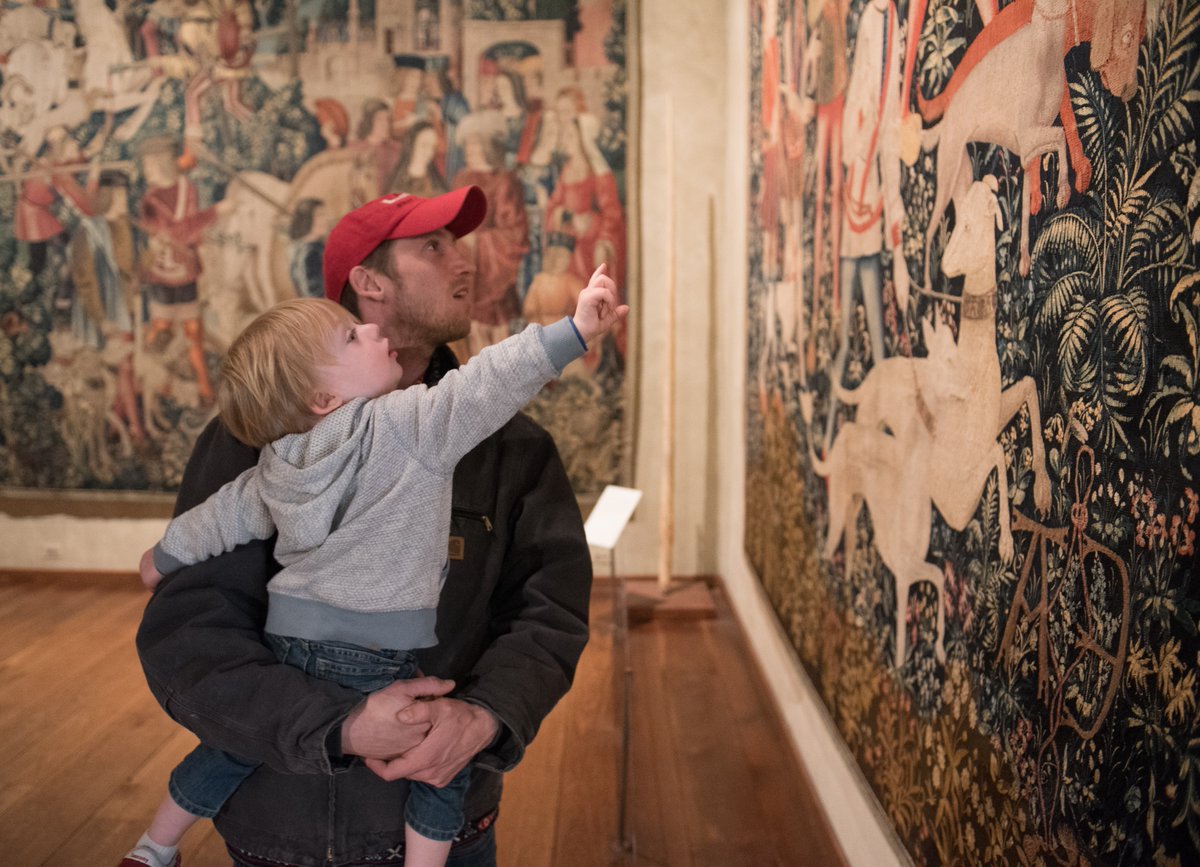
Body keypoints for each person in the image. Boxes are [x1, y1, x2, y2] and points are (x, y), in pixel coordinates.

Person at [133, 184, 600, 866]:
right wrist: (338, 725)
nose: (465, 262)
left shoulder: (513, 446)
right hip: (277, 825)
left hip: (448, 822)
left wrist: (485, 716)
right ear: (368, 282)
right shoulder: (247, 442)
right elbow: (191, 633)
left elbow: (549, 612)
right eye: (434, 247)